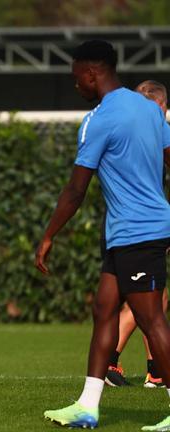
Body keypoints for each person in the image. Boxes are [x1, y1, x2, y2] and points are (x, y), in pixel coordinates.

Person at [37, 40, 170, 430]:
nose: (75, 82)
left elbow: (76, 189)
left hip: (136, 231)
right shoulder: (149, 109)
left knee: (152, 321)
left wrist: (48, 236)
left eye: (76, 75)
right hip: (132, 231)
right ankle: (88, 405)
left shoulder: (99, 119)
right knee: (104, 309)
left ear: (91, 73)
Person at [105, 80, 170, 389]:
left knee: (148, 296)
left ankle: (151, 368)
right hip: (144, 227)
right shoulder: (154, 129)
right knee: (146, 300)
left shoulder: (125, 129)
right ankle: (114, 360)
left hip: (121, 225)